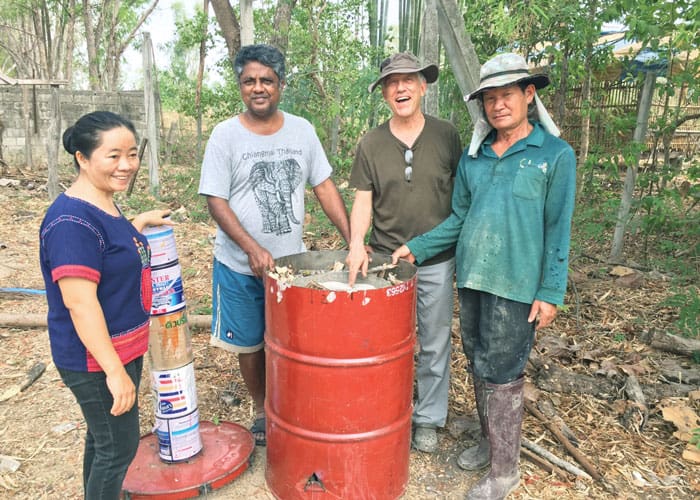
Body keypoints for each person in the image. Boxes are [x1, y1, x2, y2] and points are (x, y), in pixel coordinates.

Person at [392, 52, 576, 499]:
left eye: (507, 95)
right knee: (478, 361)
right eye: (489, 99)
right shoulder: (474, 158)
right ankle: (489, 440)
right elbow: (458, 219)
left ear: (529, 95)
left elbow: (558, 226)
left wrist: (550, 290)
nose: (498, 106)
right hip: (473, 277)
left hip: (516, 284)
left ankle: (505, 471)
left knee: (504, 371)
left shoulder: (553, 155)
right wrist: (415, 248)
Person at [198, 44, 351, 446]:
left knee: (291, 341)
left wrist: (354, 239)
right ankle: (262, 408)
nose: (258, 88)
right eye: (249, 81)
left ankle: (292, 402)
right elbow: (216, 199)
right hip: (237, 264)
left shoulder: (301, 130)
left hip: (291, 267)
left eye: (266, 80)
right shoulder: (225, 136)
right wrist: (250, 246)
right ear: (240, 87)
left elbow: (324, 186)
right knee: (250, 342)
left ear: (281, 84)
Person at [39, 111, 171, 499]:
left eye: (131, 154)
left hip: (119, 348)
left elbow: (107, 250)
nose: (126, 165)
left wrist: (138, 223)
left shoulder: (102, 205)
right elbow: (80, 305)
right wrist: (114, 372)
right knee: (118, 449)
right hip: (96, 358)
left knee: (103, 441)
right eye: (113, 156)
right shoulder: (70, 223)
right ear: (82, 157)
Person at [346, 52, 462, 453]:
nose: (400, 88)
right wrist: (357, 244)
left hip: (436, 262)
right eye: (391, 83)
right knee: (382, 344)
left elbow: (461, 199)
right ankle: (383, 413)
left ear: (423, 86)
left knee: (433, 342)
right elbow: (364, 199)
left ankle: (428, 418)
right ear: (383, 93)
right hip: (385, 261)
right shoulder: (372, 143)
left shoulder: (447, 135)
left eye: (408, 80)